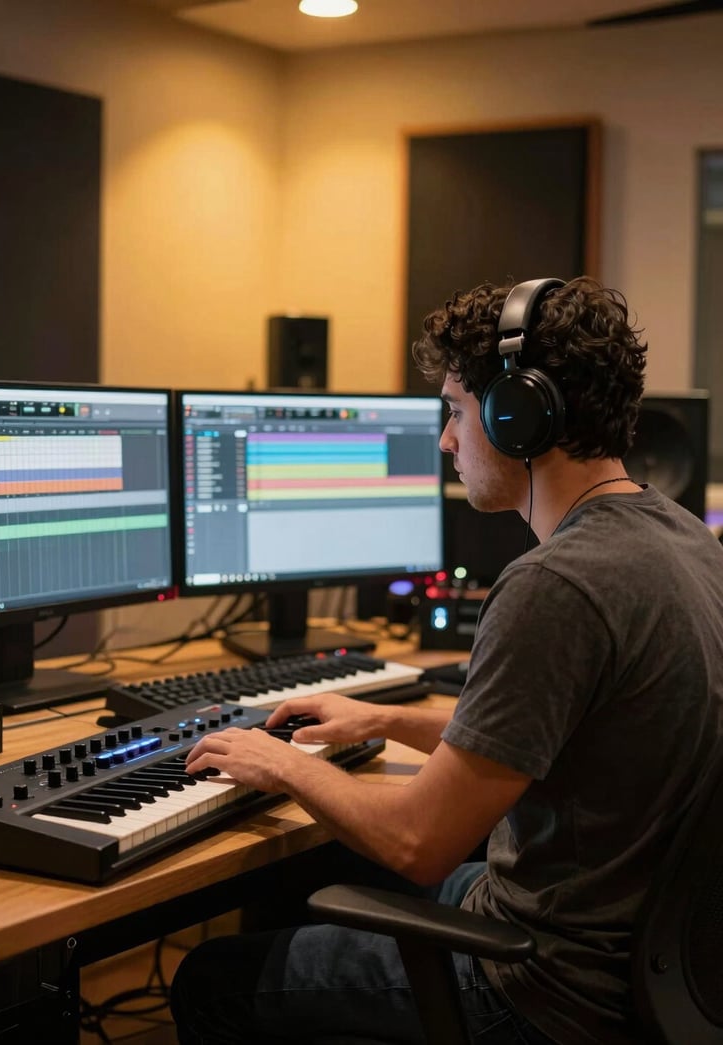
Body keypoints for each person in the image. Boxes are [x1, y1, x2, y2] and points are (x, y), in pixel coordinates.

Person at [170, 276, 723, 1045]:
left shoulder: (554, 584)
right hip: (645, 959)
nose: (447, 441)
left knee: (213, 979)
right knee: (319, 882)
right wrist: (388, 719)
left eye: (457, 410)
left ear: (519, 415)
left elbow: (417, 839)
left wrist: (280, 761)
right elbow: (569, 736)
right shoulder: (684, 538)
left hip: (542, 985)